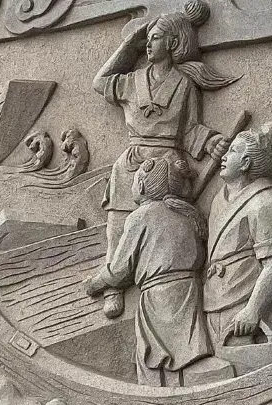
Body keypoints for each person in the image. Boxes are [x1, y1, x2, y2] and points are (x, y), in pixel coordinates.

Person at [91, 0, 238, 319]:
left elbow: (190, 129)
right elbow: (100, 82)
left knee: (165, 224)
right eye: (147, 39)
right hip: (132, 161)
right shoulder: (132, 80)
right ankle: (114, 285)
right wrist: (127, 46)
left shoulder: (184, 84)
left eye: (155, 38)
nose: (148, 44)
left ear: (172, 42)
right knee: (118, 224)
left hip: (168, 163)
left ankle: (160, 280)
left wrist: (211, 141)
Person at [83, 157, 213, 387]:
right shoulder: (189, 213)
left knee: (153, 358)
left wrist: (95, 283)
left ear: (142, 185)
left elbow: (120, 270)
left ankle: (161, 400)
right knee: (186, 353)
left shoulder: (140, 216)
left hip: (158, 296)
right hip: (190, 291)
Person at [203, 122, 272, 370]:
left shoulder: (268, 201)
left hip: (244, 300)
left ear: (246, 163)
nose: (224, 156)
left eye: (233, 151)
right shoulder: (218, 200)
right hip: (214, 299)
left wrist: (253, 310)